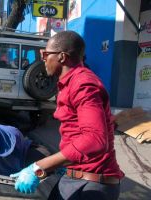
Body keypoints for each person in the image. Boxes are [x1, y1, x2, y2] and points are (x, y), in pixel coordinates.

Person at [10, 31, 124, 199]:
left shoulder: (83, 84)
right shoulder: (69, 83)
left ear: (62, 57)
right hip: (76, 177)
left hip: (91, 185)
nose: (43, 59)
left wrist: (38, 167)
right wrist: (64, 163)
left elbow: (95, 139)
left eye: (45, 54)